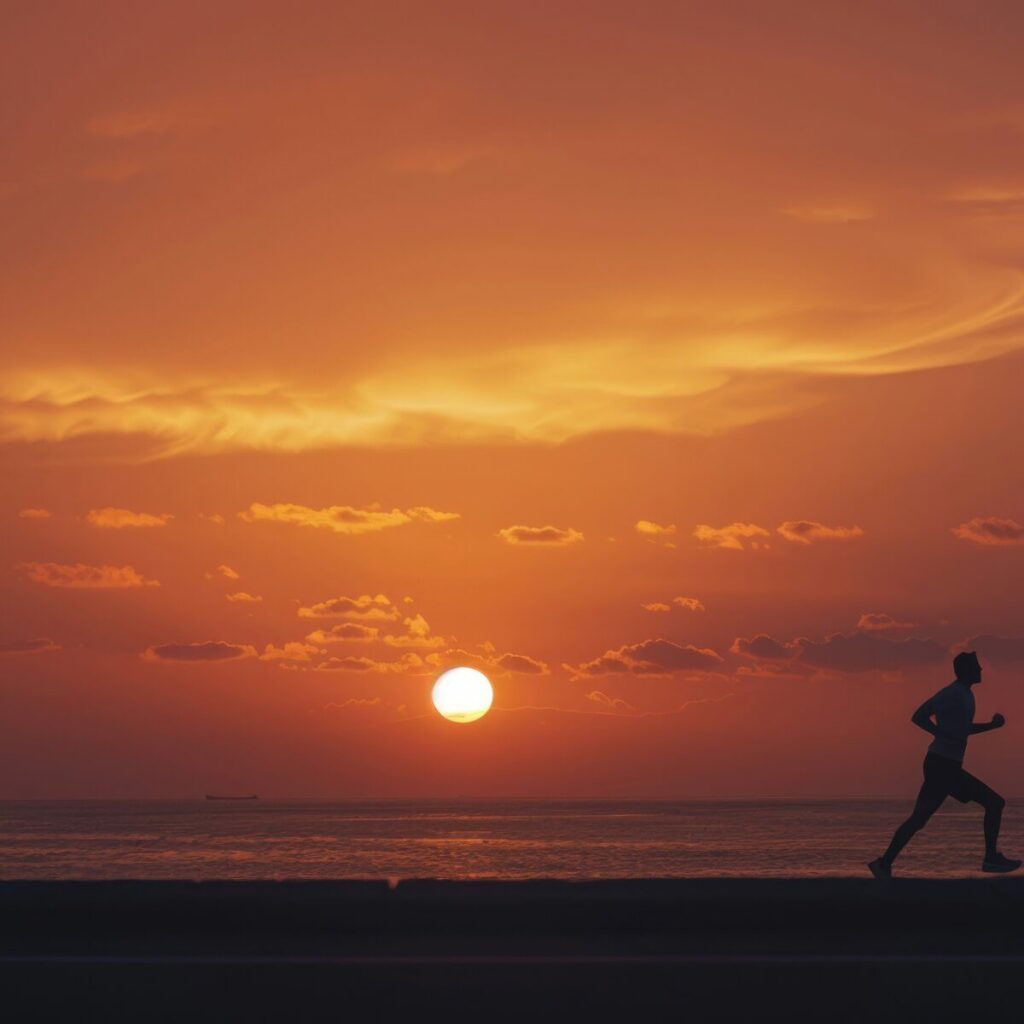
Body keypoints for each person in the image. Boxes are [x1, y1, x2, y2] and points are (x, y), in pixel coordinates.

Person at [869, 651, 1020, 878]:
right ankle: (990, 859)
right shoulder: (953, 693)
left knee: (918, 819)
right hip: (942, 766)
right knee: (995, 803)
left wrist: (991, 726)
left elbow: (962, 730)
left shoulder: (966, 695)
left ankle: (883, 863)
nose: (981, 670)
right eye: (976, 667)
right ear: (965, 670)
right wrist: (939, 733)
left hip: (944, 766)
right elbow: (919, 716)